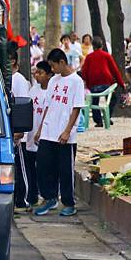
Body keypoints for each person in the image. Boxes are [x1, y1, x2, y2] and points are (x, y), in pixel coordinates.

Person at [33, 49, 84, 217]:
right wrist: (40, 129)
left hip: (64, 133)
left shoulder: (76, 81)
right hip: (49, 130)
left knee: (65, 170)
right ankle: (49, 198)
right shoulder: (54, 80)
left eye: (53, 65)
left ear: (62, 62)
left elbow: (76, 108)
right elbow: (48, 105)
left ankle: (69, 203)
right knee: (43, 166)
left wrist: (68, 130)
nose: (52, 69)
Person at [25, 61, 54, 207]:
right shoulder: (33, 90)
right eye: (36, 72)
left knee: (45, 168)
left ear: (49, 75)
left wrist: (41, 131)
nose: (37, 75)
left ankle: (48, 196)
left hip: (45, 136)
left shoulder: (52, 91)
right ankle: (32, 197)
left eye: (40, 73)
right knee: (31, 168)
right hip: (31, 134)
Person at [81, 37, 125, 127]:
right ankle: (107, 117)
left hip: (93, 84)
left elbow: (84, 72)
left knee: (94, 102)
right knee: (112, 99)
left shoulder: (89, 57)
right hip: (106, 83)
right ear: (102, 46)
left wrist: (86, 84)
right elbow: (115, 70)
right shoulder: (107, 55)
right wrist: (121, 83)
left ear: (93, 46)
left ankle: (98, 121)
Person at [10, 50, 32, 211]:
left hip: (17, 131)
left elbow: (22, 104)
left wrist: (19, 130)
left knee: (20, 167)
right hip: (7, 129)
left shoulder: (19, 80)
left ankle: (22, 200)